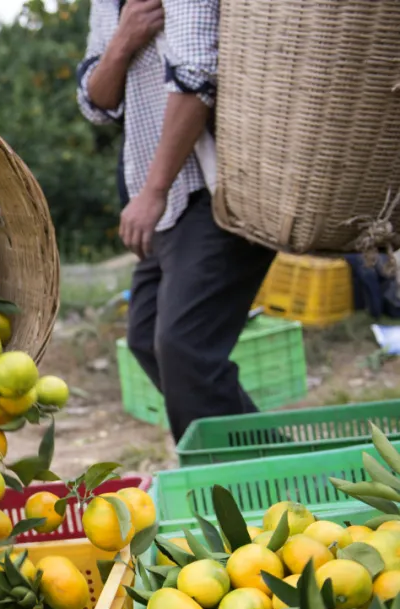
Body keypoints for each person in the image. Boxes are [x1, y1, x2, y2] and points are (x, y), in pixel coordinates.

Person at [76, 0, 276, 440]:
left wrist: (153, 192)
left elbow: (195, 79)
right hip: (165, 201)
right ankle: (278, 468)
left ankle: (233, 483)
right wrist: (123, 42)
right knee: (148, 337)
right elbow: (96, 101)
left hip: (217, 188)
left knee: (185, 348)